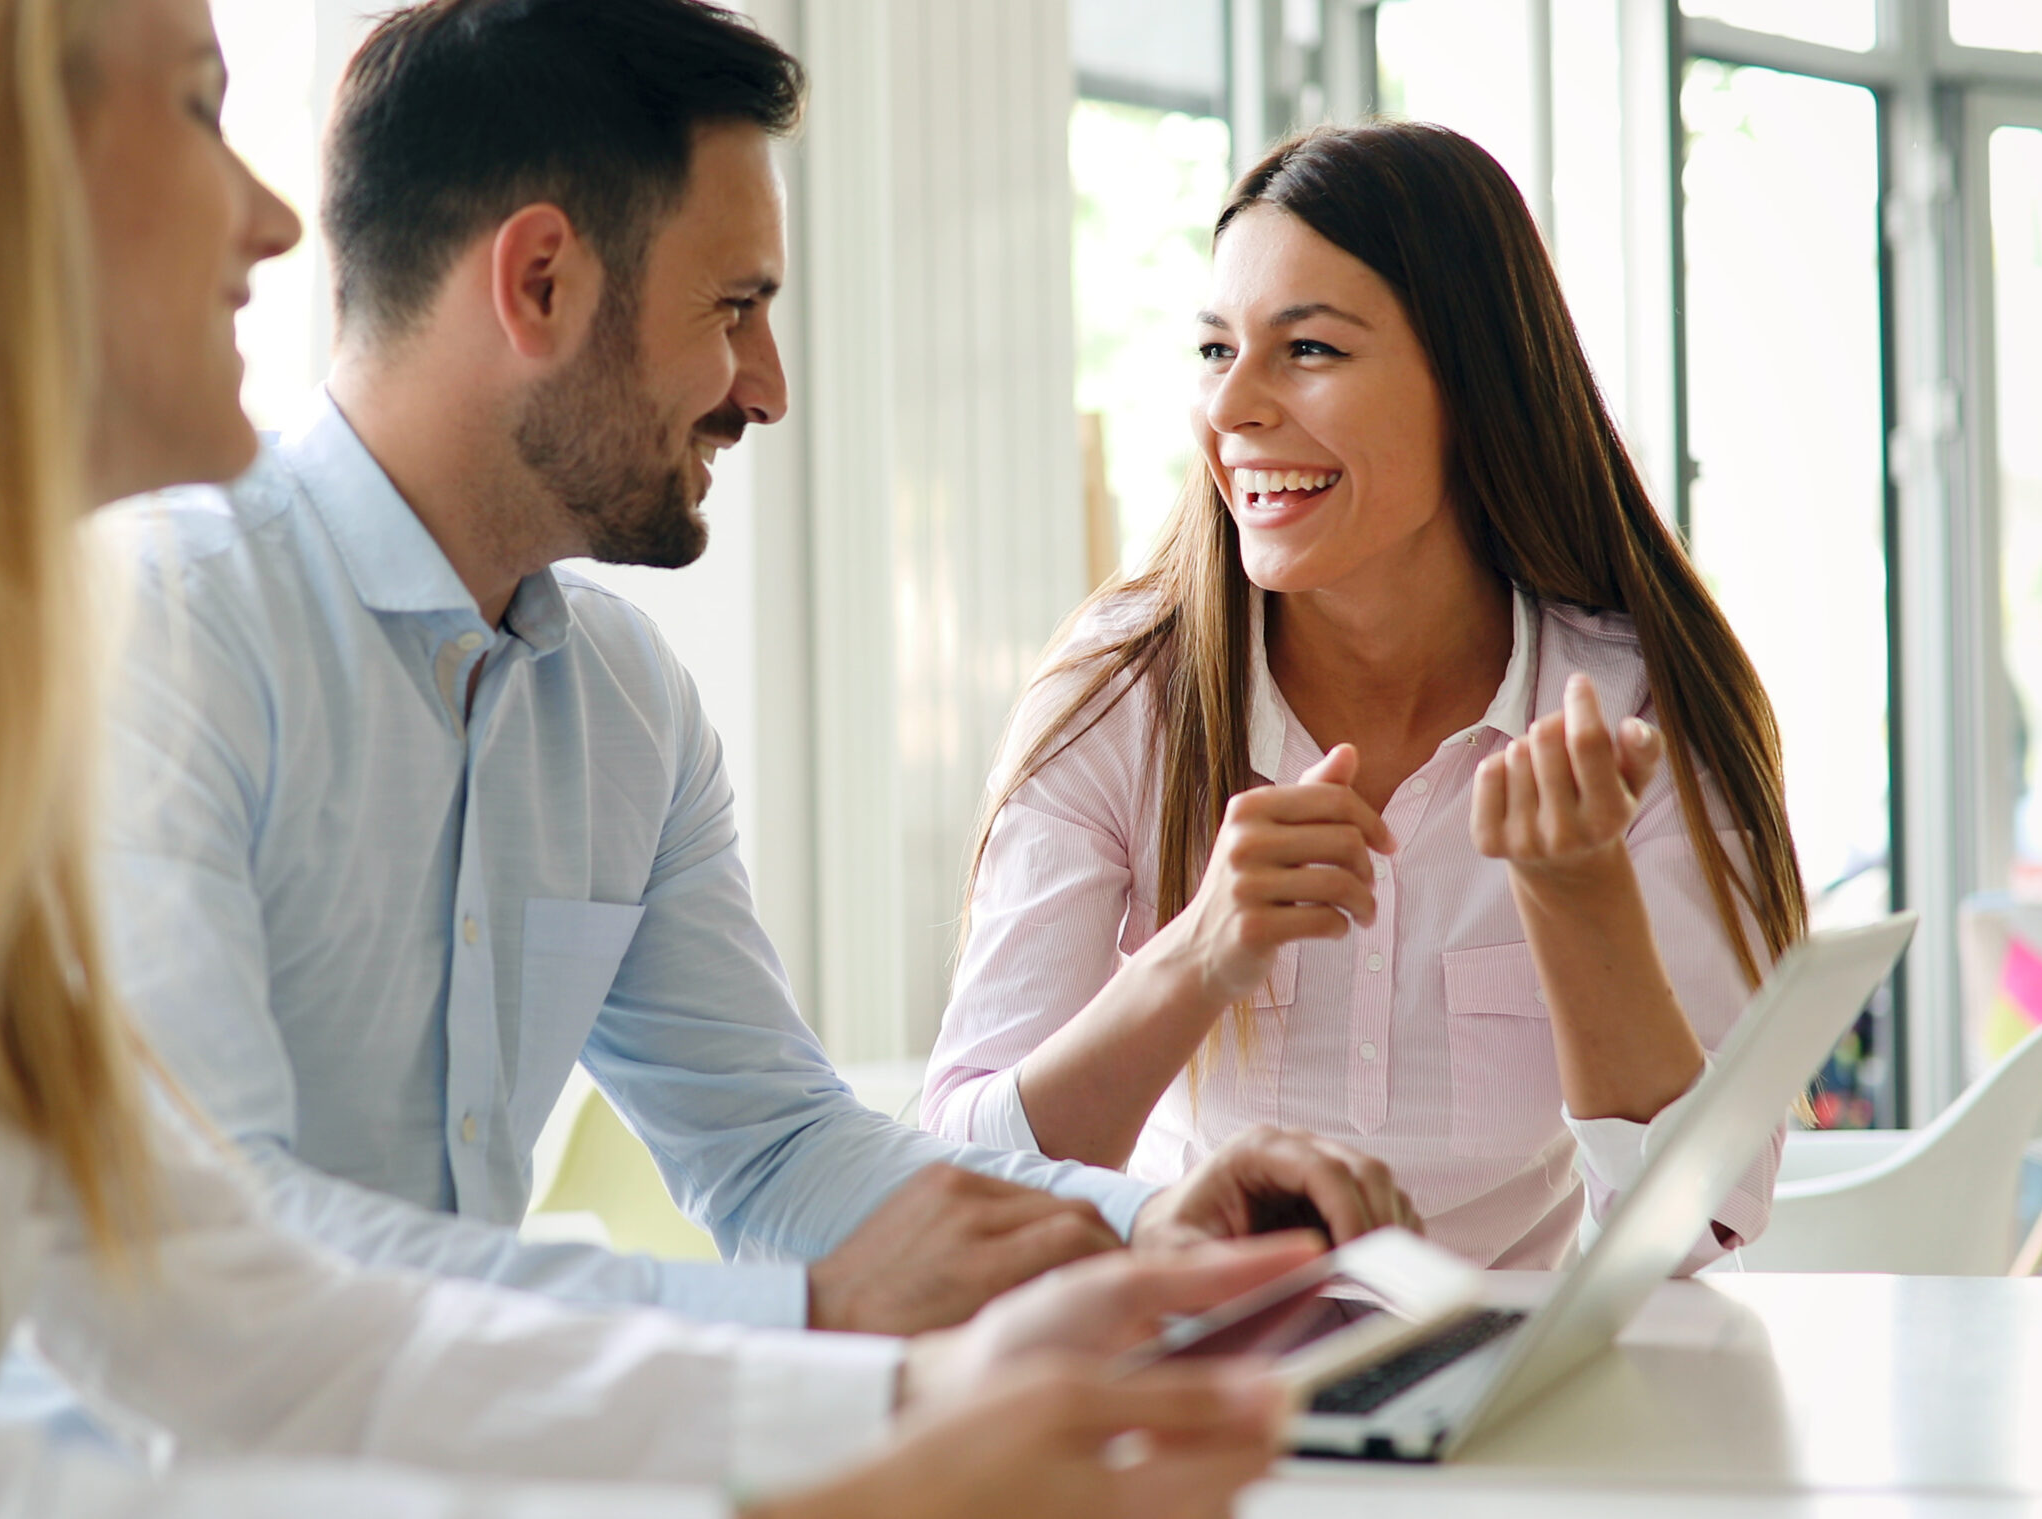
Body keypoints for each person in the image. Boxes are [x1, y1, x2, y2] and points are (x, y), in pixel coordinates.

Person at [0, 0, 1308, 1513]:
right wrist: (830, 1463)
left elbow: (222, 1306)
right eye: (196, 105)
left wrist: (901, 1400)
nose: (270, 218)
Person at [98, 0, 1416, 1341]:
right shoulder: (159, 632)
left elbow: (778, 1150)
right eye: (735, 308)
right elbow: (225, 1247)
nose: (768, 388)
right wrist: (815, 1311)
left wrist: (1145, 1219)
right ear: (540, 283)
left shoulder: (620, 703)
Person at [922, 121, 1810, 1270]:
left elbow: (1700, 1225)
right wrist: (1197, 957)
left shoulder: (1634, 710)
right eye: (1215, 350)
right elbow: (956, 1188)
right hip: (1195, 1352)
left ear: (1471, 383)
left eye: (1309, 349)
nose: (1231, 407)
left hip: (1512, 1370)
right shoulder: (1121, 698)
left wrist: (1582, 901)